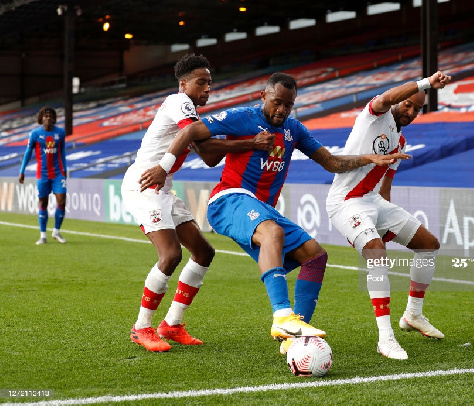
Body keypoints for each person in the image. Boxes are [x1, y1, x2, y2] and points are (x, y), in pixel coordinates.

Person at [138, 72, 409, 354]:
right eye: (277, 102)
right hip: (228, 199)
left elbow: (330, 162)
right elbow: (189, 132)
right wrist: (164, 167)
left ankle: (296, 337)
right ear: (263, 96)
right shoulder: (242, 117)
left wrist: (368, 158)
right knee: (272, 230)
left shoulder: (294, 129)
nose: (281, 110)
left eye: (288, 105)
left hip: (261, 209)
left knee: (315, 256)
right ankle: (282, 316)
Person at [121, 54, 274, 352]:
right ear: (184, 84)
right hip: (145, 184)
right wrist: (251, 142)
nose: (207, 89)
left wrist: (237, 138)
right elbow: (205, 144)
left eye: (209, 84)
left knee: (204, 252)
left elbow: (209, 155)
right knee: (170, 255)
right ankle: (141, 328)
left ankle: (172, 324)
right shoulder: (180, 102)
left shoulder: (191, 114)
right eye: (201, 82)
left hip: (162, 187)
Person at [325, 71, 452, 360]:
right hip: (345, 202)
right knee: (376, 253)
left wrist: (382, 223)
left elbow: (385, 189)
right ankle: (386, 338)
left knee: (428, 244)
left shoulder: (399, 141)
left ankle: (413, 315)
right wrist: (426, 84)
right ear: (398, 101)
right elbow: (386, 97)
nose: (410, 112)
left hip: (373, 202)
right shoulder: (374, 115)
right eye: (407, 104)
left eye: (417, 109)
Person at [18, 106, 67, 245]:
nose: (48, 118)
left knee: (62, 201)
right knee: (43, 202)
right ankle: (43, 235)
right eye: (45, 116)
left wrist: (65, 170)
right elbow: (28, 153)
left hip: (58, 173)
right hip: (42, 174)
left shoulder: (60, 133)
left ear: (54, 119)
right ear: (41, 119)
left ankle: (56, 231)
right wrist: (22, 171)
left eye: (51, 116)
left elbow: (62, 152)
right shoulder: (35, 134)